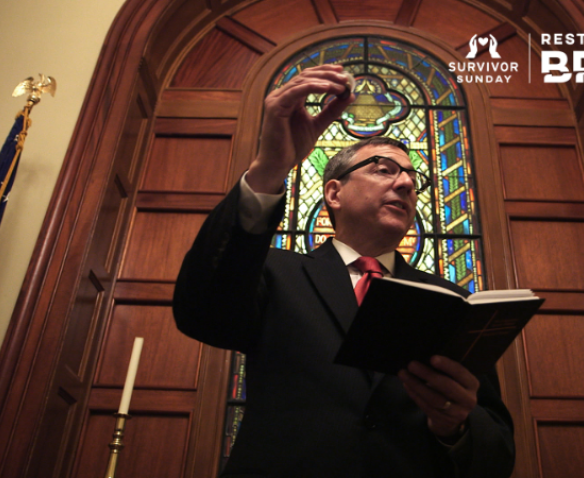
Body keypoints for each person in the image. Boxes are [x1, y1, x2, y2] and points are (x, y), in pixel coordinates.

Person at [173, 64, 515, 478]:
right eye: (385, 169)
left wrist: (456, 426)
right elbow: (201, 312)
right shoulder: (274, 272)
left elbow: (497, 455)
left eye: (412, 177)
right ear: (333, 193)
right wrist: (269, 169)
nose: (406, 184)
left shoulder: (453, 303)